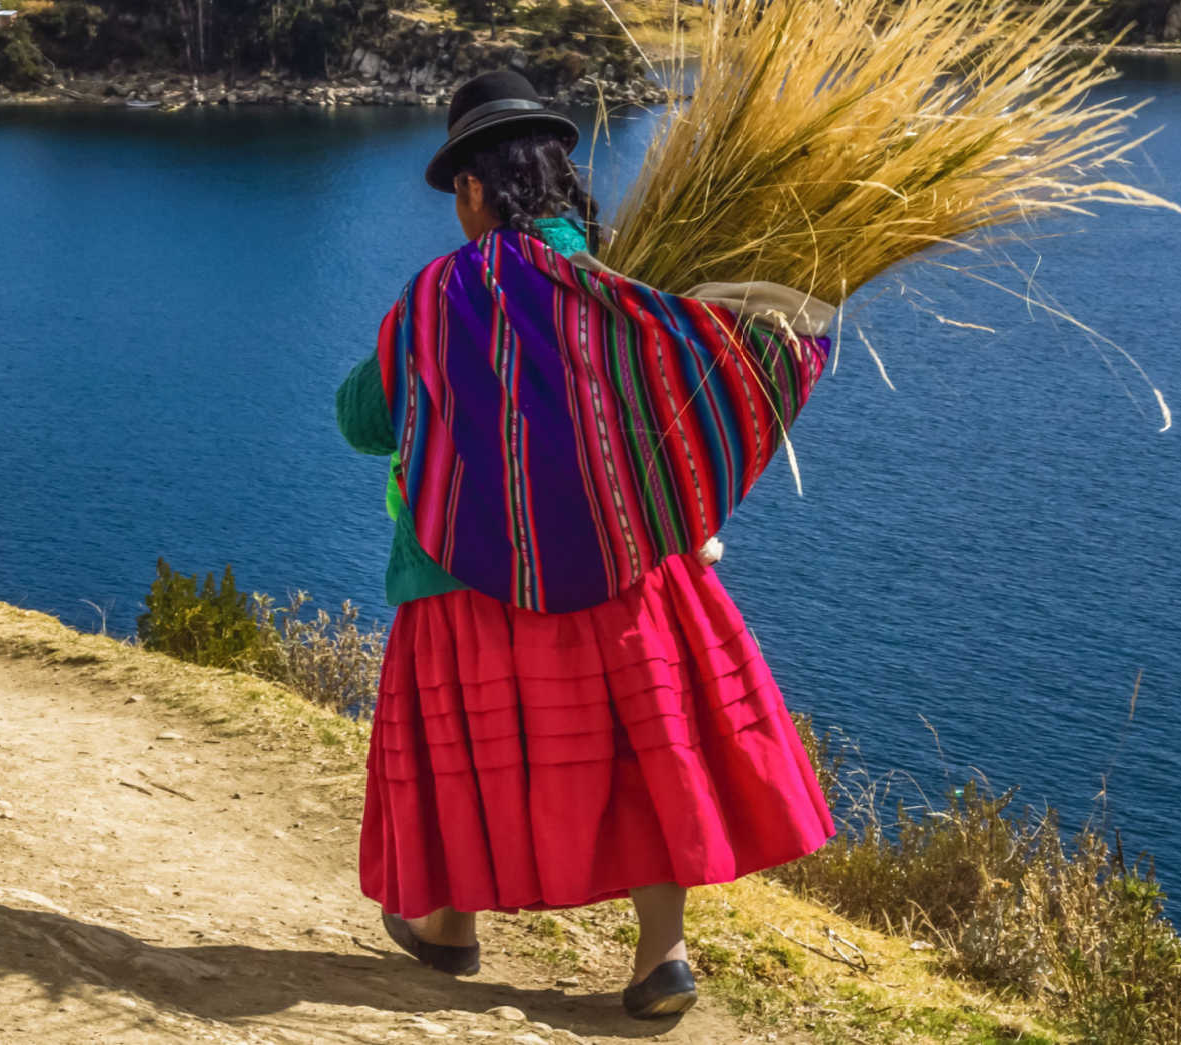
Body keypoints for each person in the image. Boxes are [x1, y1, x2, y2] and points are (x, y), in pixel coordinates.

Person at [336, 70, 838, 1021]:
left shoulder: (439, 295)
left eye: (457, 194)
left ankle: (447, 921)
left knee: (463, 755)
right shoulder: (632, 286)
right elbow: (714, 368)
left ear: (475, 187)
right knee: (640, 755)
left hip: (458, 574)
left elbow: (363, 416)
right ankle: (662, 957)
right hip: (625, 570)